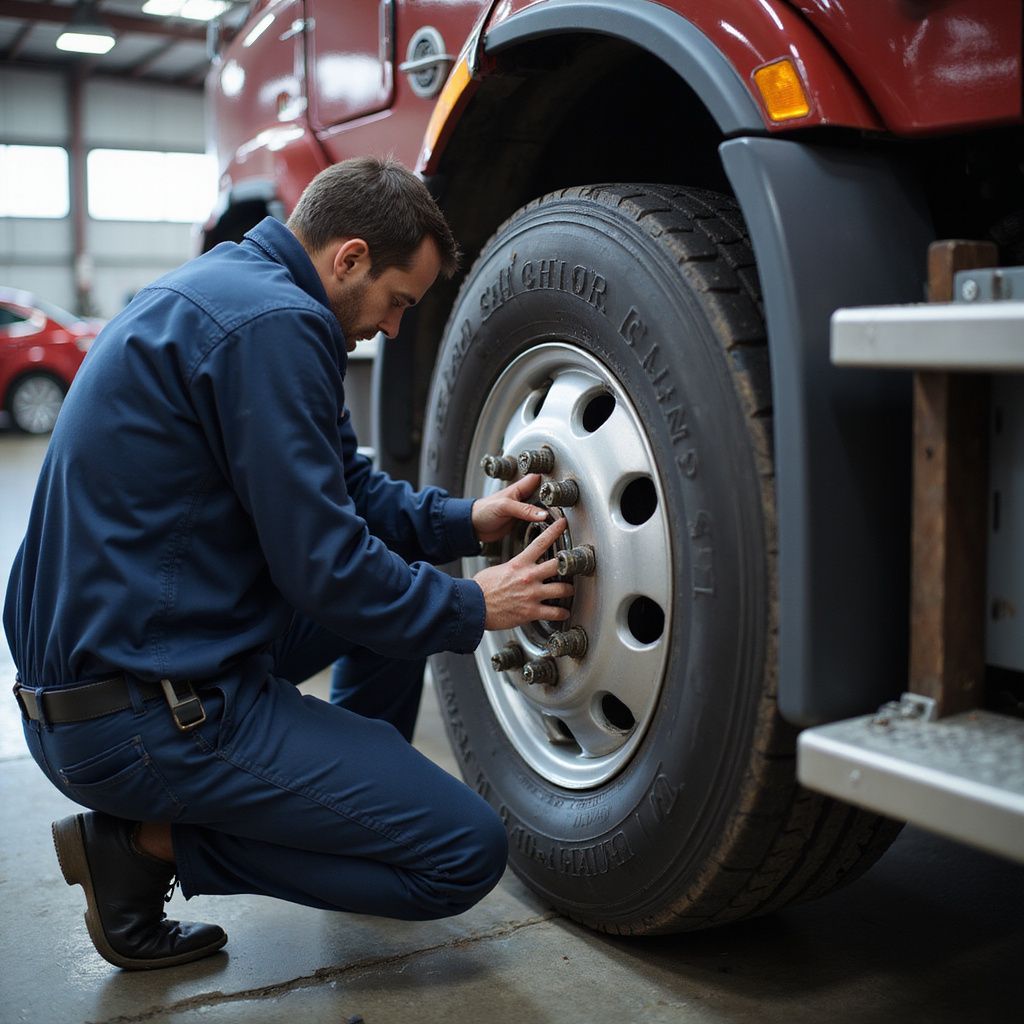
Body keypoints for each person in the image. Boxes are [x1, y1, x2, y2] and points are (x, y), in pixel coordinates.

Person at [4, 156, 573, 971]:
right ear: (349, 258)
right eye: (397, 301)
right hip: (146, 716)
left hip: (116, 677)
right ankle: (145, 845)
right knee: (463, 854)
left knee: (394, 607)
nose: (395, 327)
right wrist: (477, 605)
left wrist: (467, 522)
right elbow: (330, 572)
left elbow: (349, 494)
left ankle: (335, 803)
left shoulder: (235, 289)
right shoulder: (278, 328)